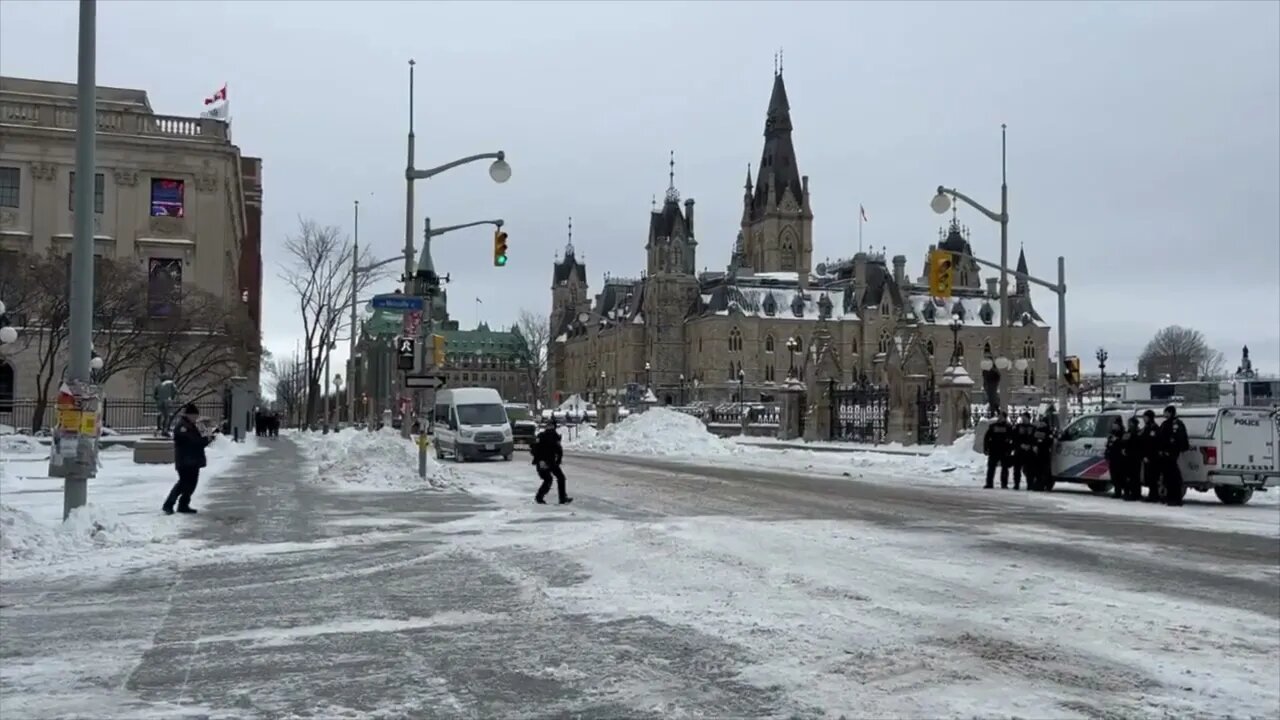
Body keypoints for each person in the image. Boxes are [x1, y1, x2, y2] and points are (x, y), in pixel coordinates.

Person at [164, 403, 212, 515]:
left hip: (193, 460)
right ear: (189, 415)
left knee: (191, 485)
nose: (196, 418)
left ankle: (183, 505)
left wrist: (207, 433)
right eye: (194, 416)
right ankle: (168, 504)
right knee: (183, 484)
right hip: (185, 460)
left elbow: (200, 439)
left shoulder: (192, 425)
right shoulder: (182, 427)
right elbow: (193, 441)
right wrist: (205, 439)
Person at [531, 419, 572, 505]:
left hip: (550, 462)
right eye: (549, 426)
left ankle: (562, 498)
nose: (550, 428)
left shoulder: (553, 436)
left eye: (551, 426)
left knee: (559, 478)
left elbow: (559, 450)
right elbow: (535, 449)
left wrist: (558, 460)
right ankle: (539, 497)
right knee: (548, 479)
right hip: (544, 461)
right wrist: (540, 460)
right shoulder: (542, 436)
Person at [1156, 404, 1190, 506]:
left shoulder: (1176, 424)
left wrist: (1169, 450)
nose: (1164, 414)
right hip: (1164, 455)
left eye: (1165, 412)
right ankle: (1170, 497)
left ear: (1170, 413)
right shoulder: (1166, 423)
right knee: (1167, 477)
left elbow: (1177, 440)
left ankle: (1176, 498)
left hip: (1171, 454)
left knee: (1173, 477)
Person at [983, 410, 1013, 489]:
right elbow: (987, 437)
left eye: (1001, 417)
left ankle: (1004, 484)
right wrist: (986, 448)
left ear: (1005, 418)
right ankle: (989, 483)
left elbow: (1012, 439)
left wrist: (1009, 450)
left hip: (1004, 449)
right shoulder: (993, 426)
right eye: (999, 416)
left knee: (1005, 467)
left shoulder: (1008, 427)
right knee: (991, 467)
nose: (1000, 418)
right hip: (994, 449)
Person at [1138, 409, 1161, 502]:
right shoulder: (1146, 427)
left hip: (1152, 457)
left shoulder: (1154, 428)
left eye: (1145, 417)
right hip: (1145, 456)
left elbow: (1152, 444)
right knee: (1148, 477)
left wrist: (1148, 456)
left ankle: (1154, 496)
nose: (1144, 419)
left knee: (1153, 477)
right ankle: (1151, 494)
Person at [1011, 412, 1036, 491]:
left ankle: (1030, 484)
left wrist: (1030, 445)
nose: (1023, 419)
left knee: (1030, 469)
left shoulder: (1033, 428)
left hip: (1029, 451)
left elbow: (1035, 438)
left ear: (1028, 418)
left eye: (1025, 418)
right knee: (1017, 469)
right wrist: (1020, 445)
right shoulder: (1017, 427)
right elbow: (1014, 438)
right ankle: (1016, 484)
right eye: (1022, 418)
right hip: (1019, 450)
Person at [1028, 416, 1054, 491]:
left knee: (1044, 470)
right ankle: (1038, 484)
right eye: (1041, 422)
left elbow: (1049, 441)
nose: (1041, 424)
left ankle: (1044, 484)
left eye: (1043, 422)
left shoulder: (1048, 431)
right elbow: (1032, 439)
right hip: (1037, 453)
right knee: (1037, 470)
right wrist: (1034, 445)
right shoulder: (1036, 430)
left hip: (1044, 452)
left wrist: (1041, 443)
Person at [1104, 417, 1127, 499]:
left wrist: (1117, 440)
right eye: (1113, 425)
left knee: (1120, 475)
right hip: (1112, 456)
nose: (1114, 426)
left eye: (1116, 425)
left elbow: (1124, 444)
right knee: (1114, 476)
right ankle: (1117, 491)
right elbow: (1108, 445)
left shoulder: (1122, 434)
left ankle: (1125, 491)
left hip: (1119, 457)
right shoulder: (1111, 434)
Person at [1121, 417, 1143, 501]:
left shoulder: (1139, 432)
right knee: (1128, 476)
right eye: (1129, 423)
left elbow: (1140, 444)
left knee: (1135, 477)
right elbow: (1123, 442)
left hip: (1136, 457)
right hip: (1128, 457)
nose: (1130, 425)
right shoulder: (1128, 432)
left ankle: (1136, 494)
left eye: (1131, 423)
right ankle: (1128, 492)